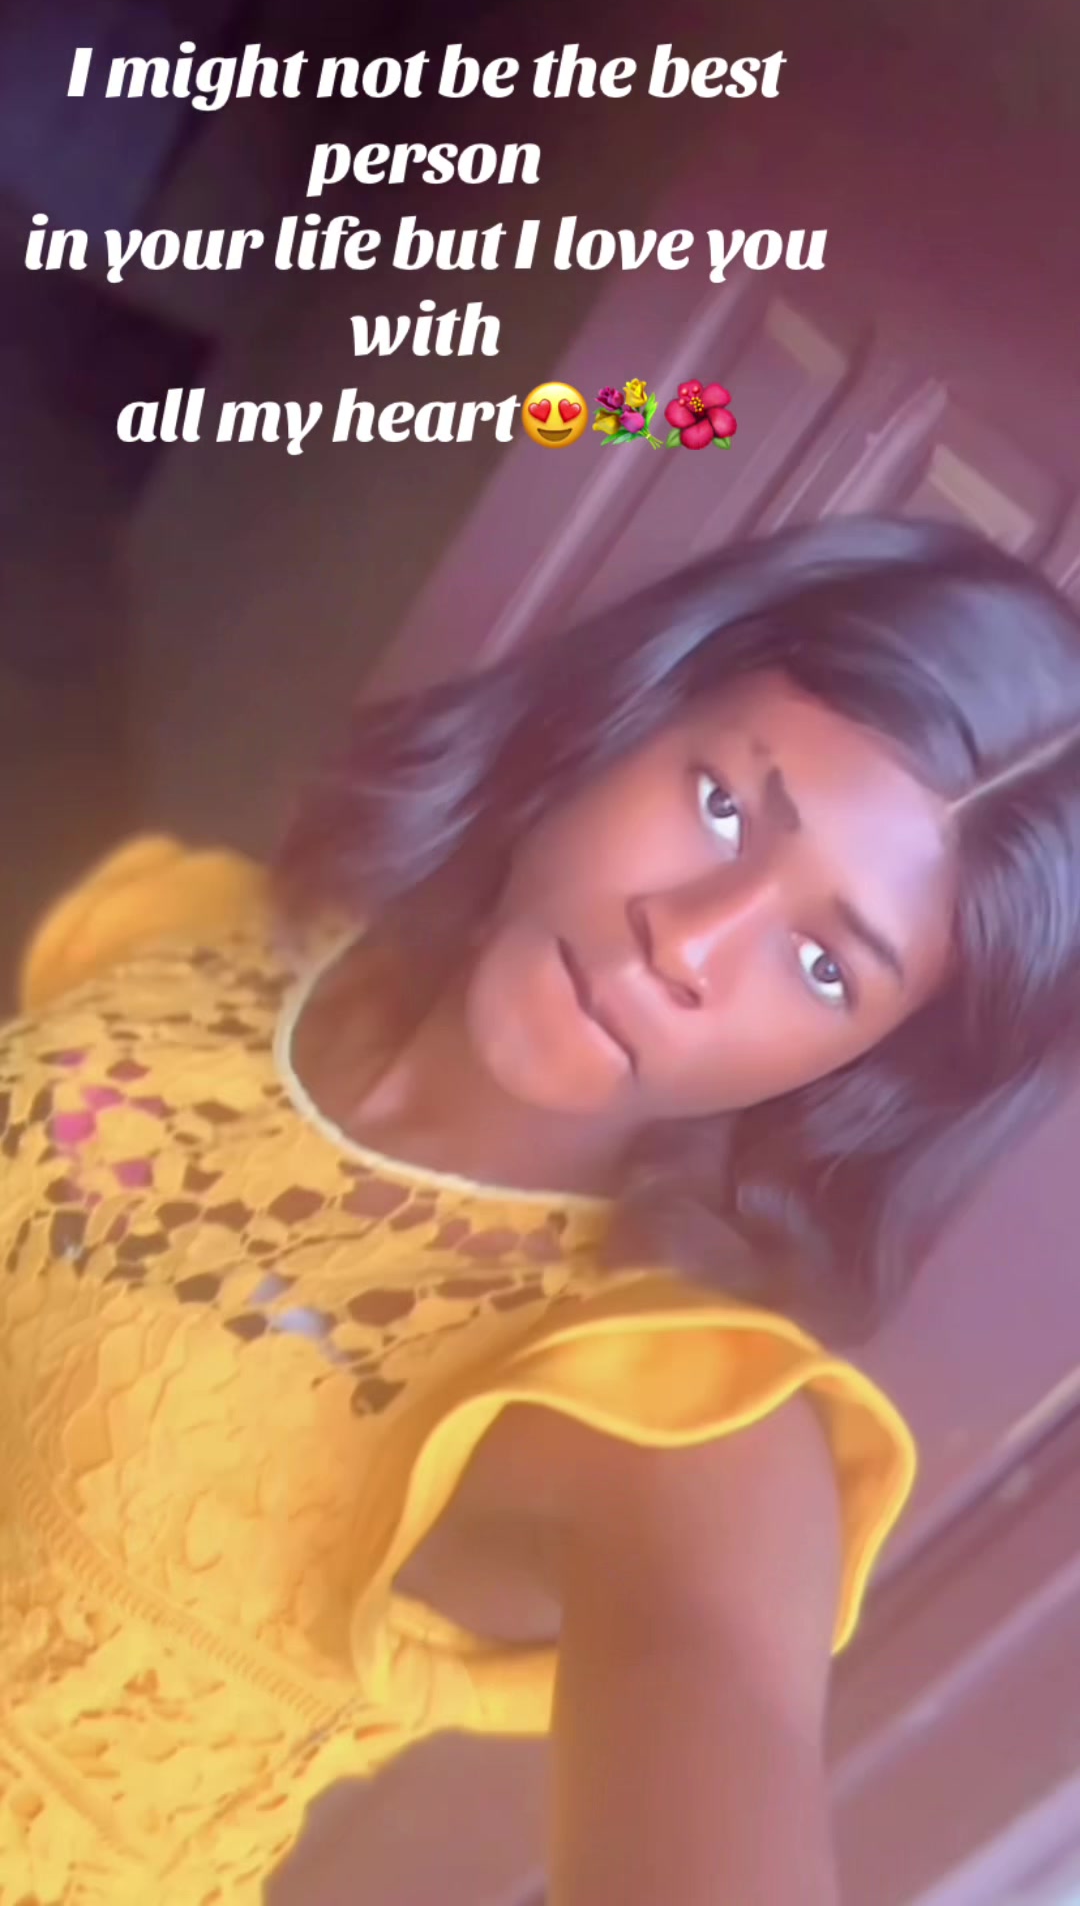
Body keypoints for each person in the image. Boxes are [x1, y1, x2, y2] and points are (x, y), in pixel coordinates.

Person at [3, 515, 1079, 1906]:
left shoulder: (669, 1424)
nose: (688, 941)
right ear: (623, 720)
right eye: (723, 805)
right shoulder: (195, 940)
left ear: (863, 1066)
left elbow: (711, 1686)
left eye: (824, 964)